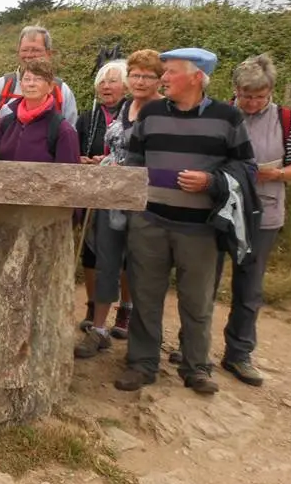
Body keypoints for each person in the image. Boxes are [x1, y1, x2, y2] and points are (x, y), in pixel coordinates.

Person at [116, 47, 255, 396]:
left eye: (171, 72)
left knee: (197, 301)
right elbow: (133, 161)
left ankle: (196, 368)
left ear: (196, 77)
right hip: (149, 222)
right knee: (146, 296)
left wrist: (211, 182)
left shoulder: (228, 118)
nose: (163, 78)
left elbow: (246, 168)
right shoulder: (149, 112)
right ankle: (142, 364)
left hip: (201, 228)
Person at [218, 54, 291, 387]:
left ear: (271, 90)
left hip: (264, 212)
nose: (253, 102)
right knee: (201, 281)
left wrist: (276, 173)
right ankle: (192, 349)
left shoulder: (286, 118)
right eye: (246, 95)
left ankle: (239, 353)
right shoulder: (220, 115)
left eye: (260, 95)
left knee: (249, 286)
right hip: (219, 209)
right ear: (235, 90)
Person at [74, 50, 162, 357]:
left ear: (158, 80)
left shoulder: (164, 111)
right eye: (135, 75)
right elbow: (116, 148)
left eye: (146, 76)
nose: (138, 81)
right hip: (111, 197)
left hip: (146, 201)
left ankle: (142, 341)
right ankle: (99, 330)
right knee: (106, 262)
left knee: (142, 266)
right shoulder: (126, 109)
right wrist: (106, 161)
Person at [75, 59, 129, 336]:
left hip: (125, 193)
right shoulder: (88, 117)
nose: (107, 87)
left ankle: (125, 310)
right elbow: (75, 148)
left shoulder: (135, 114)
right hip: (93, 193)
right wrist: (83, 160)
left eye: (113, 81)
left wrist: (108, 162)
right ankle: (93, 306)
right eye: (102, 82)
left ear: (126, 85)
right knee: (92, 252)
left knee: (125, 254)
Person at [0, 25, 79, 129]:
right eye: (24, 50)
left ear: (48, 53)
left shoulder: (62, 90)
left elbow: (70, 133)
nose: (29, 55)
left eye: (36, 50)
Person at [0, 59, 79, 163]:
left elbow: (70, 175)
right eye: (27, 79)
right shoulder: (5, 124)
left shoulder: (63, 131)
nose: (31, 84)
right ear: (21, 85)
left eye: (38, 79)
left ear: (50, 87)